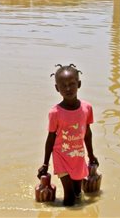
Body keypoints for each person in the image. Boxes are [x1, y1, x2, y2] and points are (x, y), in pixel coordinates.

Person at [37, 64, 99, 206]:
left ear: (79, 84)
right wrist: (45, 163)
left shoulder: (86, 108)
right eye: (63, 85)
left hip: (78, 156)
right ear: (57, 88)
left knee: (78, 193)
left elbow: (87, 134)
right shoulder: (55, 113)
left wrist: (91, 155)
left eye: (72, 84)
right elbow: (50, 138)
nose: (68, 88)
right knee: (70, 197)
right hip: (61, 156)